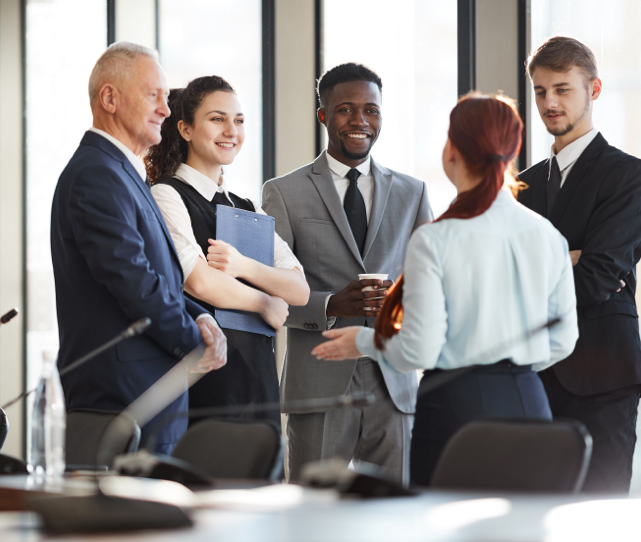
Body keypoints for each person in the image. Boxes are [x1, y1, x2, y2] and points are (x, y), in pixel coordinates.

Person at [311, 93, 579, 487]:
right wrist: (508, 366)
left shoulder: (436, 238)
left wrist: (364, 341)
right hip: (529, 401)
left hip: (458, 408)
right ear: (511, 151)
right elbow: (564, 340)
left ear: (452, 150)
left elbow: (418, 350)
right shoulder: (547, 234)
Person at [51, 42, 227, 456]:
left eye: (166, 98)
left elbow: (158, 273)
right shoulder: (96, 174)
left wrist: (202, 318)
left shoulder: (120, 171)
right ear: (109, 98)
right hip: (123, 401)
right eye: (155, 95)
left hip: (148, 395)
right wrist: (193, 341)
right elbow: (134, 282)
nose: (167, 110)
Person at [262, 63, 433, 485]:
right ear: (322, 114)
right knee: (310, 518)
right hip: (319, 384)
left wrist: (402, 298)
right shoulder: (283, 192)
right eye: (345, 109)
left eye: (371, 110)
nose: (360, 121)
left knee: (397, 518)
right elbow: (267, 292)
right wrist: (329, 305)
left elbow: (431, 286)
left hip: (392, 383)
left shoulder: (413, 193)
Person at [146, 76, 309, 430]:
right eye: (217, 119)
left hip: (258, 380)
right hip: (207, 373)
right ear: (185, 129)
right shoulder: (166, 195)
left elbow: (299, 289)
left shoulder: (247, 206)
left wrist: (243, 265)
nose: (231, 130)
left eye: (238, 120)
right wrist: (266, 302)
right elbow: (199, 282)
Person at [518, 36, 641, 493]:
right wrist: (567, 255)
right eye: (540, 90)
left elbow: (596, 277)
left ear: (594, 89)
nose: (550, 102)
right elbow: (499, 279)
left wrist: (540, 266)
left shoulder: (629, 175)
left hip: (604, 379)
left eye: (563, 89)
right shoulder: (522, 187)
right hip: (531, 378)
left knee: (600, 517)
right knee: (534, 517)